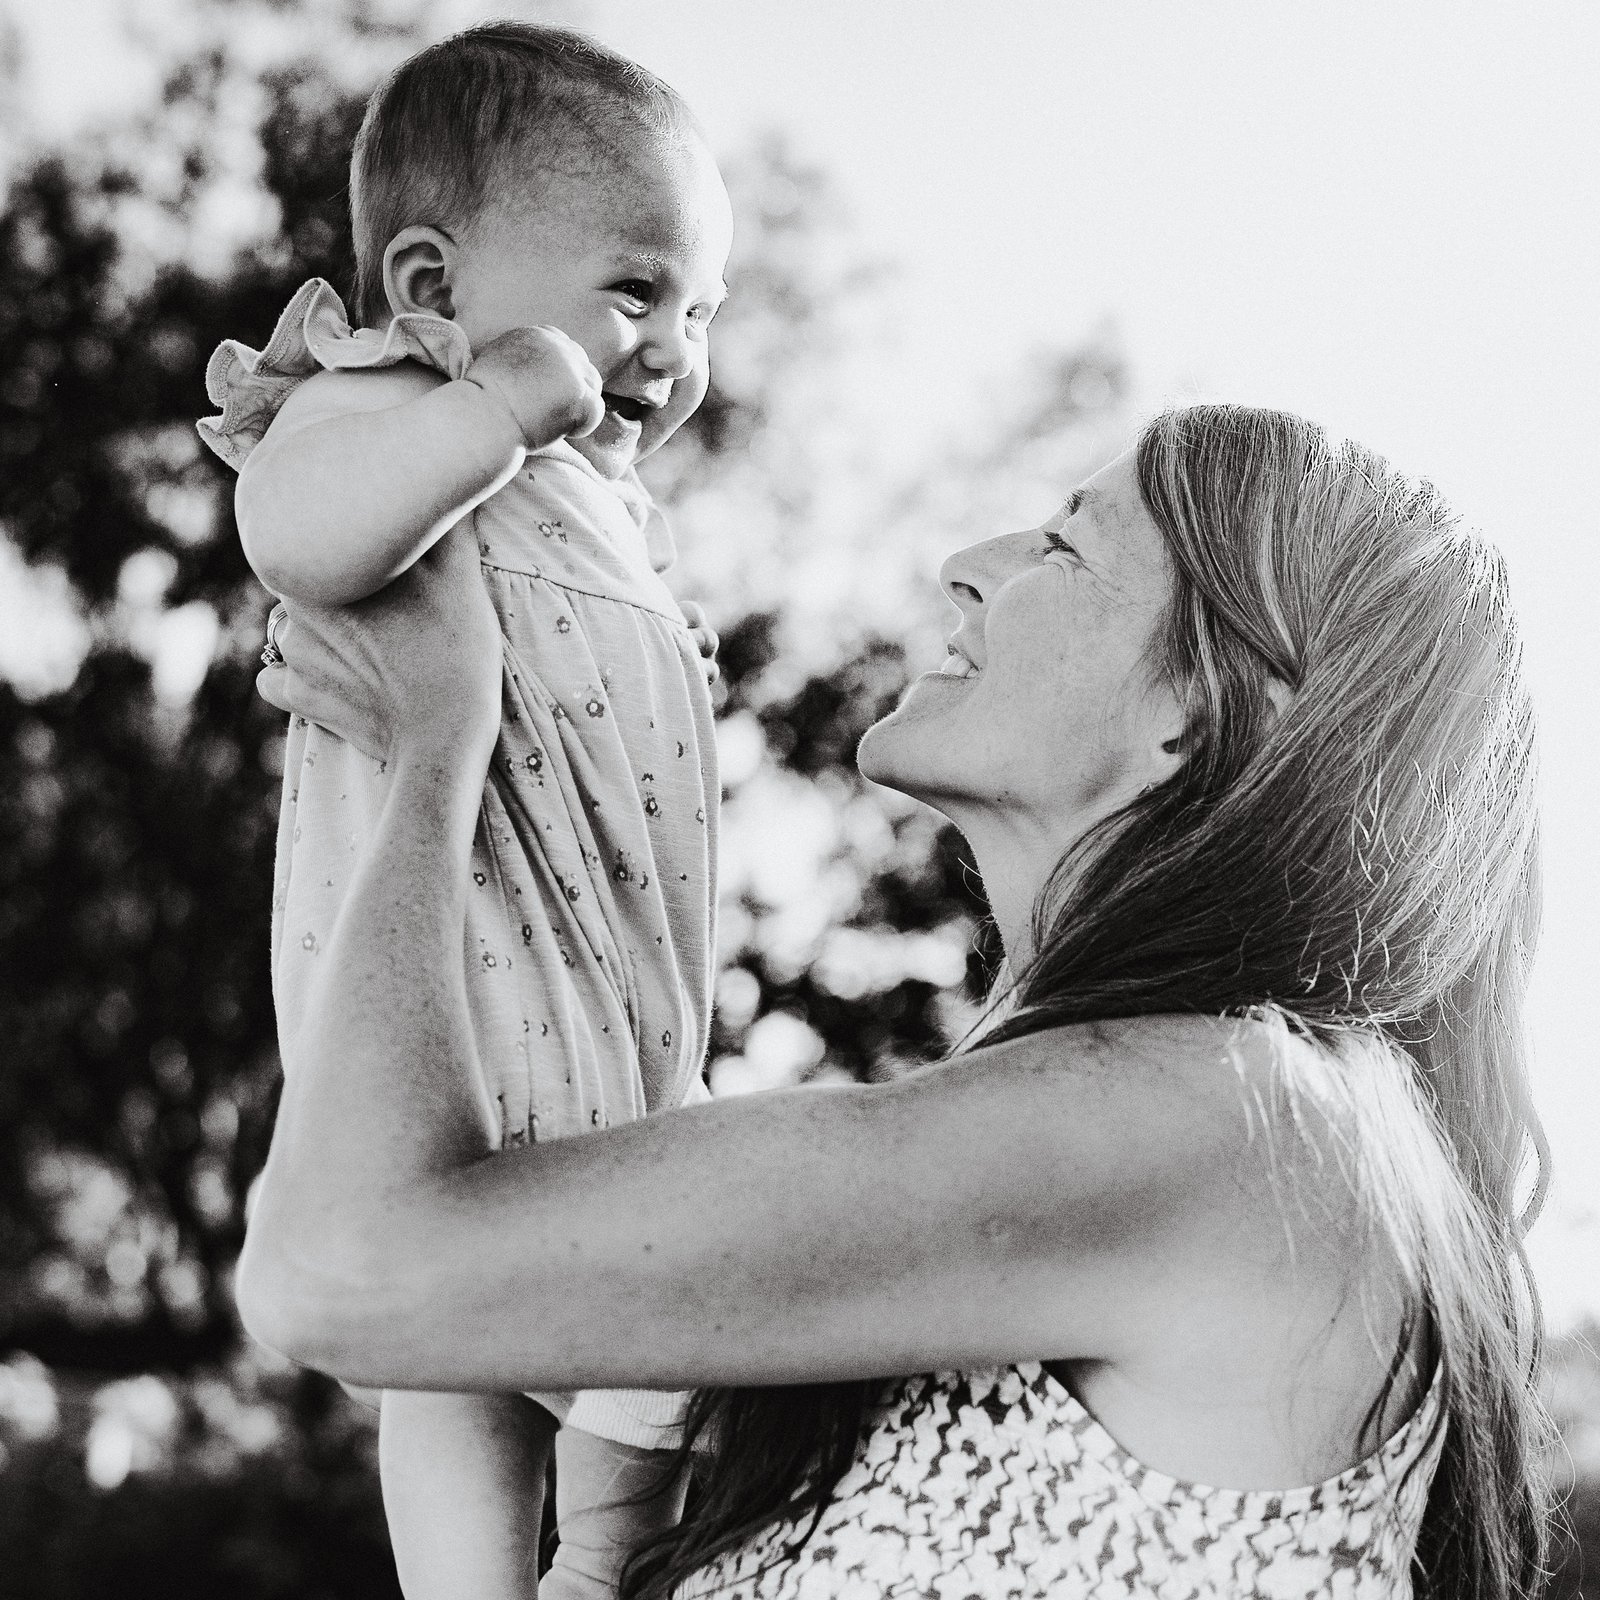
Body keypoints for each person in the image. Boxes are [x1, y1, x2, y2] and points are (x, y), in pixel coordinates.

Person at [238, 405, 1553, 1600]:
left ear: (1202, 710)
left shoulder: (1238, 1120)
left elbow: (342, 1272)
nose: (967, 565)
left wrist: (436, 753)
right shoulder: (1165, 1140)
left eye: (1066, 546)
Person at [197, 23, 732, 1599]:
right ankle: (533, 1574)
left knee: (641, 1254)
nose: (673, 349)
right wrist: (494, 412)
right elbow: (296, 536)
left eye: (701, 312)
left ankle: (590, 1563)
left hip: (614, 987)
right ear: (431, 285)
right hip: (459, 980)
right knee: (480, 1339)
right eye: (636, 291)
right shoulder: (381, 401)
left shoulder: (604, 506)